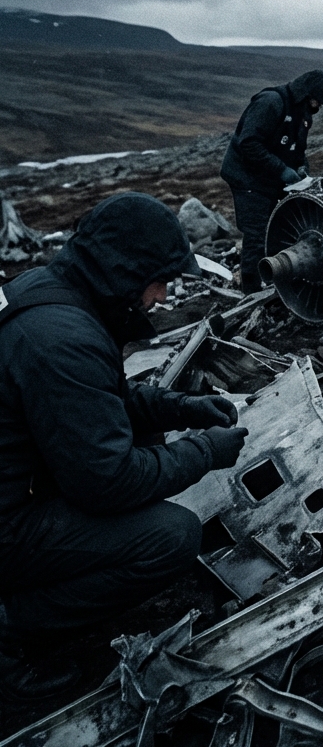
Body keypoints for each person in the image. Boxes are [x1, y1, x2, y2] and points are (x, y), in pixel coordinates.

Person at [0, 193, 248, 700]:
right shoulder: (61, 338)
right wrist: (206, 452)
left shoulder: (49, 292)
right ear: (124, 270)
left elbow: (94, 402)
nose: (159, 296)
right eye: (158, 281)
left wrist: (178, 408)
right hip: (6, 524)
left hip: (13, 486)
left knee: (142, 442)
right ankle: (10, 623)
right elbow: (107, 482)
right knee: (172, 536)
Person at [221, 70, 323, 295]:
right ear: (306, 93)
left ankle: (275, 280)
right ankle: (251, 291)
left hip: (269, 178)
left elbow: (298, 151)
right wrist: (281, 170)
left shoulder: (303, 115)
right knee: (258, 233)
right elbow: (249, 143)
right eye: (316, 101)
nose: (317, 107)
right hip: (247, 178)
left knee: (280, 227)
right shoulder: (271, 103)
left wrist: (301, 169)